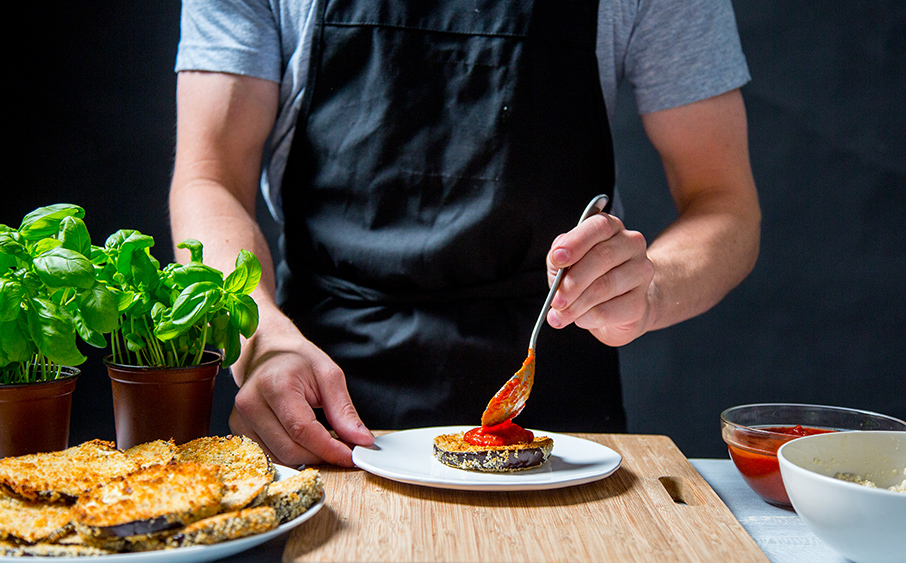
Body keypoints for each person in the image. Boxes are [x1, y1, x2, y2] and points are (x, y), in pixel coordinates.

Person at [169, 0, 761, 467]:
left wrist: (650, 289)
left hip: (557, 409)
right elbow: (209, 177)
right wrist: (261, 343)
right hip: (322, 402)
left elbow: (725, 203)